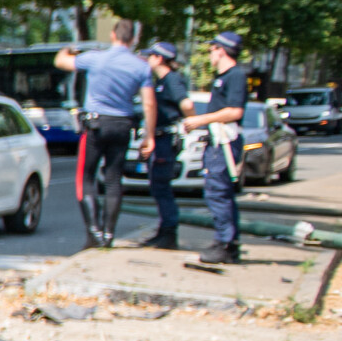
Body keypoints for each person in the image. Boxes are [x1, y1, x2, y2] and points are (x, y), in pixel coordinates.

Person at [54, 20, 154, 248]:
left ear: (112, 35)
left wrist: (68, 50)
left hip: (96, 125)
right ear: (134, 39)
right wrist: (149, 135)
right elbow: (148, 104)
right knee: (113, 179)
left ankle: (94, 231)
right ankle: (109, 233)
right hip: (122, 125)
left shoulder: (96, 58)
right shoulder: (141, 66)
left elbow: (60, 61)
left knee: (86, 178)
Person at [188, 32, 250, 262]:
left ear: (221, 50)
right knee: (220, 193)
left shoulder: (235, 76)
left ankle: (225, 244)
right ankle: (227, 242)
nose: (210, 53)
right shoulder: (223, 77)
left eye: (212, 49)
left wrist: (200, 120)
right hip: (217, 141)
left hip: (225, 143)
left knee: (218, 193)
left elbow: (235, 111)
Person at [136, 41, 192, 249]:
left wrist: (192, 122)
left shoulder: (171, 80)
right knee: (158, 186)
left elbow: (187, 104)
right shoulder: (161, 80)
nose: (148, 59)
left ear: (159, 58)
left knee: (162, 187)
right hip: (159, 139)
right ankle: (164, 230)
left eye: (150, 56)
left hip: (164, 140)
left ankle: (169, 232)